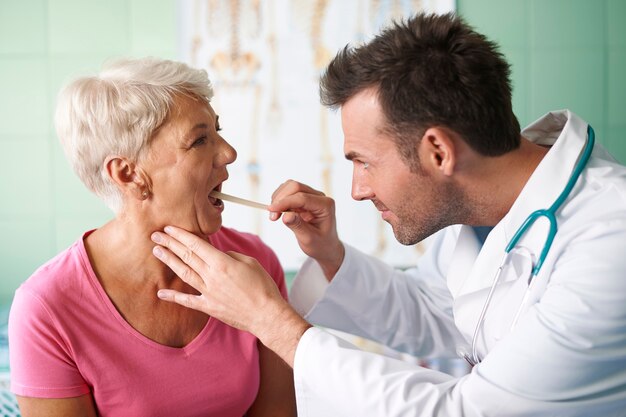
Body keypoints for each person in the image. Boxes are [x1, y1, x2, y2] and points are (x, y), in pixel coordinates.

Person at [150, 12, 626, 417]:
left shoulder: (610, 245)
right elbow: (438, 312)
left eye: (364, 161)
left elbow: (462, 412)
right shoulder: (479, 208)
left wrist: (270, 321)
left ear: (438, 151)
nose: (356, 191)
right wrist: (330, 254)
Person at [8, 57, 296, 417]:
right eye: (200, 140)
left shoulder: (254, 263)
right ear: (129, 175)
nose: (229, 153)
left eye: (217, 131)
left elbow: (278, 410)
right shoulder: (46, 309)